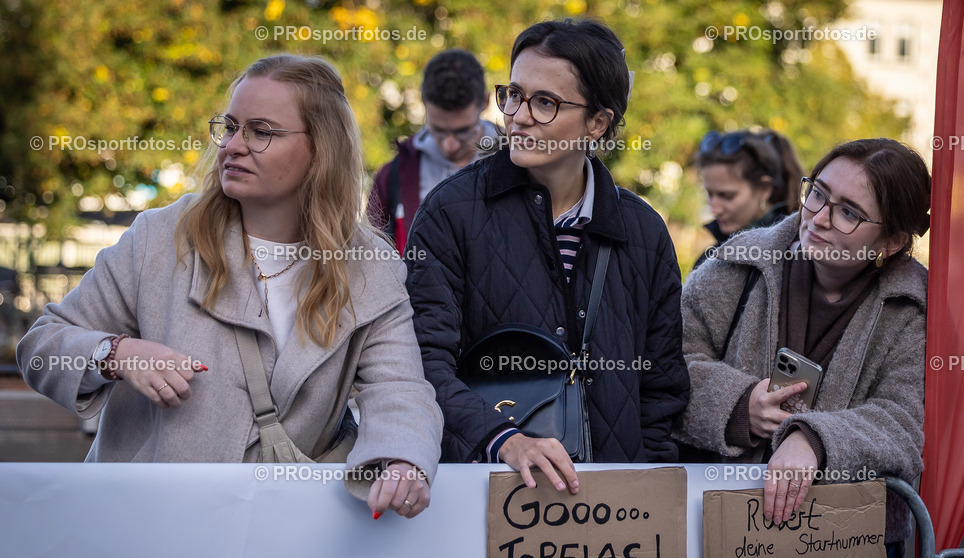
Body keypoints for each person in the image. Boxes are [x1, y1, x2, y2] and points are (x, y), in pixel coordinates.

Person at [17, 55, 441, 519]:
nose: (234, 146)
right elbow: (42, 347)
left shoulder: (371, 265)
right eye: (231, 127)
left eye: (261, 132)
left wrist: (403, 459)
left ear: (322, 149)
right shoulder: (160, 237)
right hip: (145, 526)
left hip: (286, 531)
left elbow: (398, 387)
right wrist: (117, 354)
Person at [406, 19, 689, 492]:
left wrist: (646, 490)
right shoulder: (450, 211)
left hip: (615, 505)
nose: (518, 116)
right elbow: (421, 361)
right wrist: (502, 440)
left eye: (545, 102)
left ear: (598, 122)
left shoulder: (643, 232)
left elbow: (661, 388)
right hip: (488, 491)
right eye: (514, 95)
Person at [676, 138, 930, 558]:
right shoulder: (736, 264)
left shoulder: (913, 308)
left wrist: (814, 440)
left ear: (891, 241)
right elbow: (667, 366)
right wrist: (739, 405)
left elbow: (904, 422)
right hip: (720, 530)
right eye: (818, 194)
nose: (819, 218)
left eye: (849, 212)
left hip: (844, 549)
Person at [368, 48, 498, 254]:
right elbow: (371, 257)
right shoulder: (392, 177)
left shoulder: (518, 163)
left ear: (485, 101)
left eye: (463, 131)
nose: (450, 145)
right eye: (438, 130)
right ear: (423, 101)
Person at [691, 129, 803, 270]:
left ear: (764, 189)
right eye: (709, 194)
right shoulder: (711, 257)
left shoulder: (793, 257)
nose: (715, 210)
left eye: (727, 196)